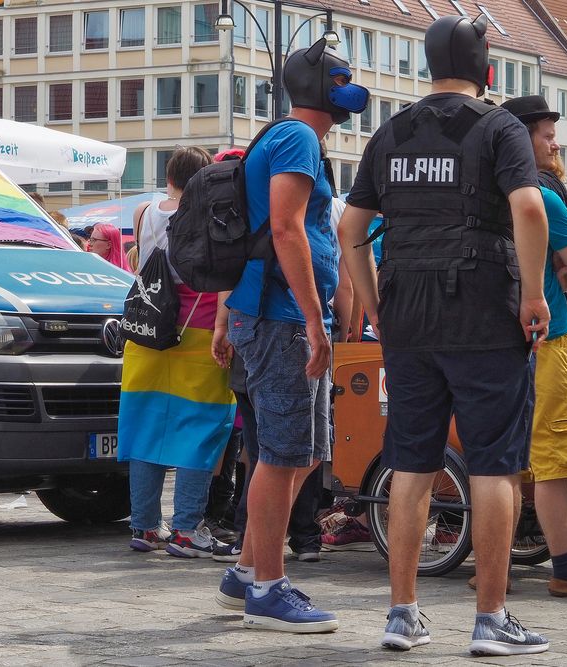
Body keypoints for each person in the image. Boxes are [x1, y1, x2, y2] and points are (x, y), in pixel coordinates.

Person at [338, 14, 551, 657]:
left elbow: (350, 227)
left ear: (427, 66)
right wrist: (536, 294)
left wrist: (374, 306)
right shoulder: (499, 128)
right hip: (485, 310)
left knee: (412, 462)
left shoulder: (392, 132)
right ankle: (490, 620)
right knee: (493, 464)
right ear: (487, 69)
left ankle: (402, 614)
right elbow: (530, 207)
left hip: (408, 313)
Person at [213, 37, 368, 633]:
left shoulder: (282, 136)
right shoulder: (298, 138)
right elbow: (283, 228)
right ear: (320, 88)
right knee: (283, 455)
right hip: (282, 318)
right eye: (341, 80)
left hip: (275, 314)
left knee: (301, 452)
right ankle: (268, 590)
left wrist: (231, 316)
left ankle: (247, 569)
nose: (350, 90)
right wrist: (311, 316)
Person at [498, 95, 567, 597]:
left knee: (499, 460)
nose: (555, 142)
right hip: (548, 338)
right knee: (554, 459)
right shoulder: (544, 195)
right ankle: (564, 570)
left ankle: (494, 569)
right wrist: (558, 272)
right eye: (545, 134)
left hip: (493, 342)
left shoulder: (485, 189)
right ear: (523, 139)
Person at [117, 146, 236, 558]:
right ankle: (187, 527)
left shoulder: (144, 213)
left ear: (169, 174)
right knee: (201, 429)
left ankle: (144, 526)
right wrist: (225, 327)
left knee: (146, 429)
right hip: (199, 331)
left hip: (147, 333)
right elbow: (223, 280)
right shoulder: (211, 217)